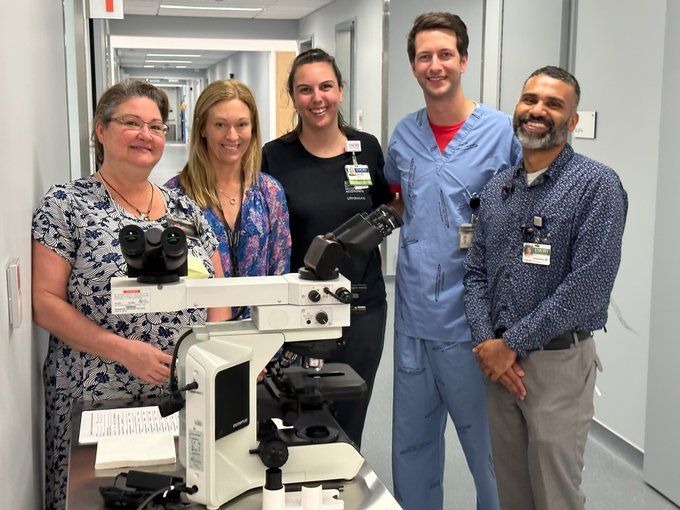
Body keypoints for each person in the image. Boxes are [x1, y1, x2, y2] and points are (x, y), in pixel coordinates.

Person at [31, 81, 229, 510]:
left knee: (177, 496)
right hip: (95, 395)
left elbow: (217, 291)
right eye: (132, 123)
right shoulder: (67, 204)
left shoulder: (186, 208)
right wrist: (124, 351)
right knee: (97, 499)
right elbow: (45, 300)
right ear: (100, 130)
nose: (147, 135)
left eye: (156, 126)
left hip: (177, 391)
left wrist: (206, 362)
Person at [463, 66, 628, 510]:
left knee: (556, 495)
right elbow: (475, 273)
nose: (538, 110)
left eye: (553, 104)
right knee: (512, 494)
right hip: (500, 368)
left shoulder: (597, 186)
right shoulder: (499, 188)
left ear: (572, 121)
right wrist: (487, 343)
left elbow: (588, 287)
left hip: (558, 363)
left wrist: (510, 343)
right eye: (530, 99)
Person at [384, 12, 521, 510]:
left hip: (475, 326)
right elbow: (401, 201)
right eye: (425, 56)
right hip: (414, 317)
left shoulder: (504, 134)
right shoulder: (403, 137)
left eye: (445, 54)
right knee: (412, 446)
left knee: (491, 456)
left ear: (464, 60)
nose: (435, 65)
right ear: (413, 66)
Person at [261, 48, 395, 449]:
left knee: (350, 415)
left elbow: (390, 207)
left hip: (362, 306)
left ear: (340, 89)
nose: (317, 98)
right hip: (300, 309)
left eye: (325, 86)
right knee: (299, 416)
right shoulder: (275, 155)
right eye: (305, 89)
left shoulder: (366, 148)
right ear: (293, 96)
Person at [165, 80, 290, 286]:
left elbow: (280, 268)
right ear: (203, 128)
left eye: (242, 124)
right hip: (202, 316)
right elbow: (177, 275)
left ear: (253, 129)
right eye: (220, 124)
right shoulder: (177, 195)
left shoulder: (270, 192)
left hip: (261, 316)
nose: (232, 136)